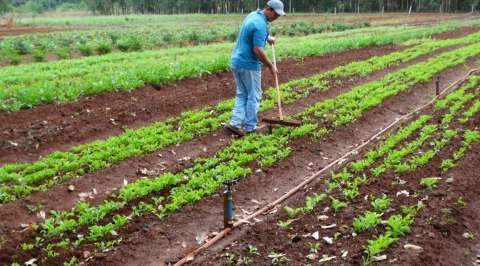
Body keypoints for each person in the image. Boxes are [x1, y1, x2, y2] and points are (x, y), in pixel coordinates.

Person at [226, 0, 286, 136]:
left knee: (242, 94)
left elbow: (250, 34)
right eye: (276, 15)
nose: (276, 18)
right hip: (249, 65)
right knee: (254, 96)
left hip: (236, 61)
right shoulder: (261, 25)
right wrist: (270, 65)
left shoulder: (254, 15)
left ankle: (235, 123)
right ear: (269, 9)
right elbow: (257, 50)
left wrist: (267, 38)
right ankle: (250, 127)